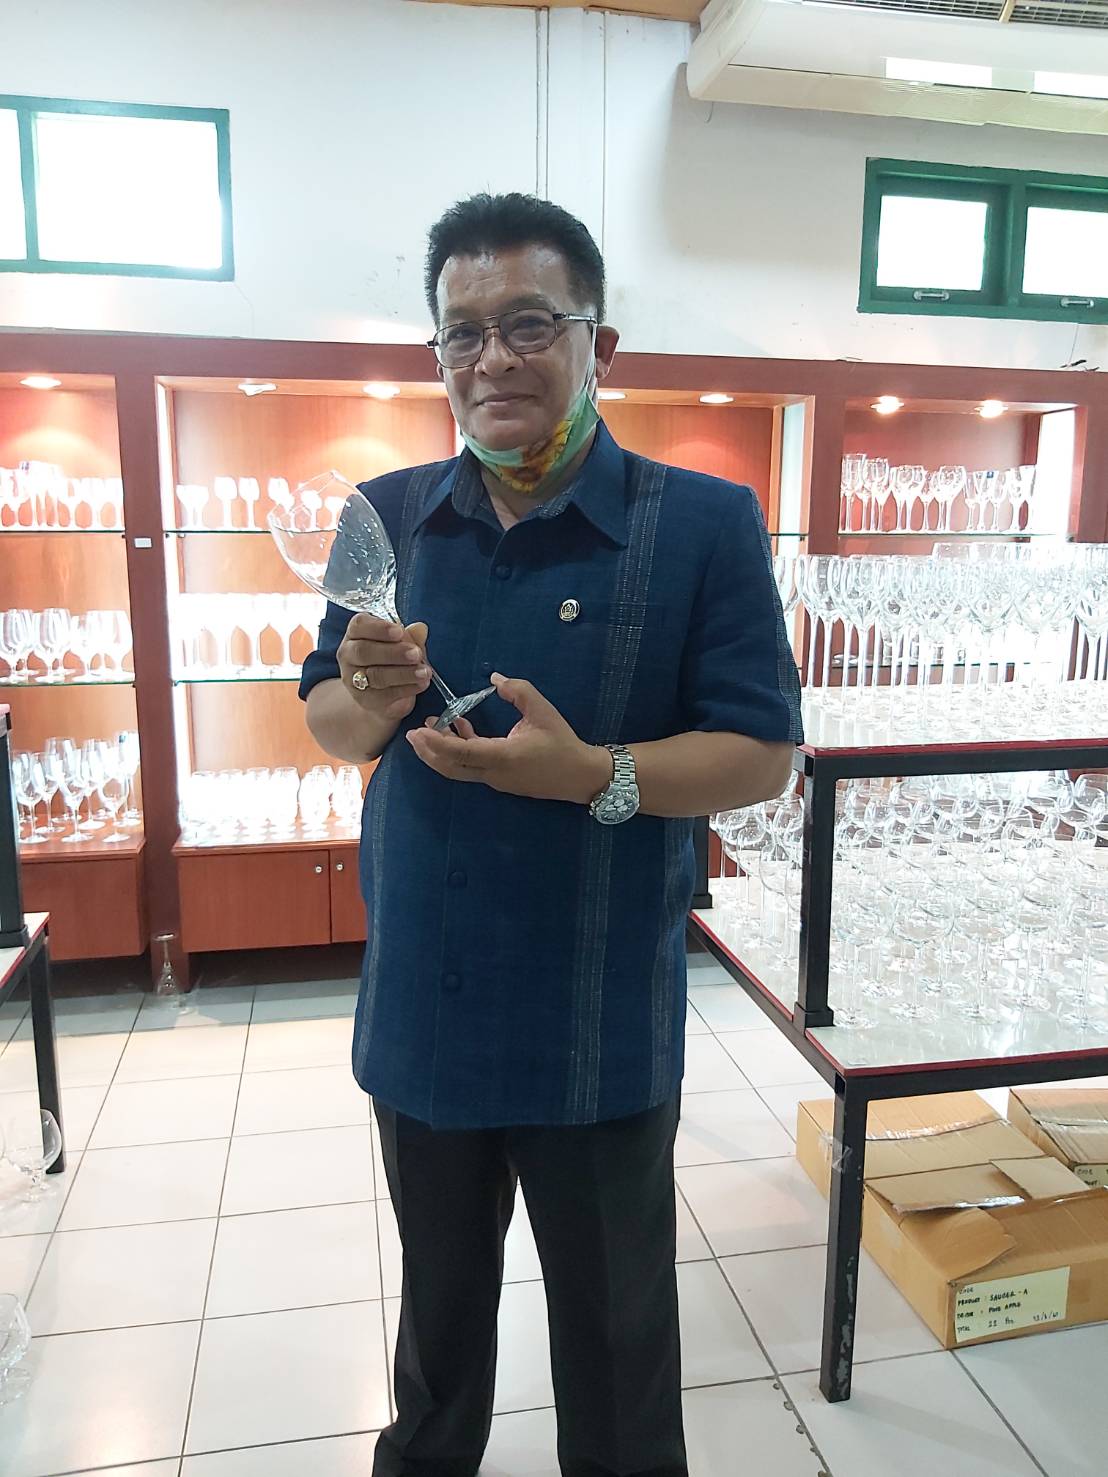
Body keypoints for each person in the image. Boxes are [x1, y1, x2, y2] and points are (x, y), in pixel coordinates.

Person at [299, 192, 802, 1477]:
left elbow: (760, 753)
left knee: (618, 1363)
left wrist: (589, 774)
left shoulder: (701, 521)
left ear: (598, 344)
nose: (492, 359)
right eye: (461, 333)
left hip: (595, 1019)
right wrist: (365, 691)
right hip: (424, 1012)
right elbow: (331, 728)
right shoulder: (386, 515)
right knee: (435, 1352)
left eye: (528, 324)